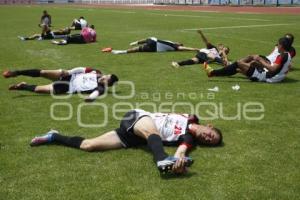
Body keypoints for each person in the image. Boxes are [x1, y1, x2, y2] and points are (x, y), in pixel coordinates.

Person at [29, 109, 223, 174]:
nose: (208, 138)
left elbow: (182, 150)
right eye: (211, 135)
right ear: (210, 126)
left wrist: (179, 161)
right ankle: (161, 158)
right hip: (139, 117)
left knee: (88, 146)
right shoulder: (191, 117)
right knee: (152, 130)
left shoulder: (188, 139)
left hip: (133, 136)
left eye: (210, 142)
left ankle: (54, 135)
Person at [203, 37, 291, 83]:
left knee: (238, 63)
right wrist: (260, 64)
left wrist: (260, 60)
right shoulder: (287, 54)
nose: (277, 47)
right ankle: (220, 71)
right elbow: (282, 68)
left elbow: (272, 69)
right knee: (237, 69)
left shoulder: (282, 56)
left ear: (282, 46)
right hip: (271, 76)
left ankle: (212, 73)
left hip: (266, 77)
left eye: (278, 45)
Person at [3, 67, 118, 102]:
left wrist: (90, 98)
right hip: (68, 76)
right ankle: (16, 73)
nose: (104, 77)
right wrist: (69, 72)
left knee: (39, 90)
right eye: (106, 75)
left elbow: (96, 93)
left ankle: (23, 86)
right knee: (43, 73)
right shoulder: (96, 72)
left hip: (67, 87)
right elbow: (82, 68)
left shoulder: (101, 88)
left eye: (106, 79)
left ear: (107, 83)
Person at [109, 37, 199, 54]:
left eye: (179, 43)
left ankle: (135, 42)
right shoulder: (171, 42)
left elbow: (185, 48)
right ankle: (121, 52)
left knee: (150, 38)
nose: (179, 43)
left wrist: (195, 49)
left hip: (155, 44)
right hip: (155, 48)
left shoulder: (175, 47)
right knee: (137, 49)